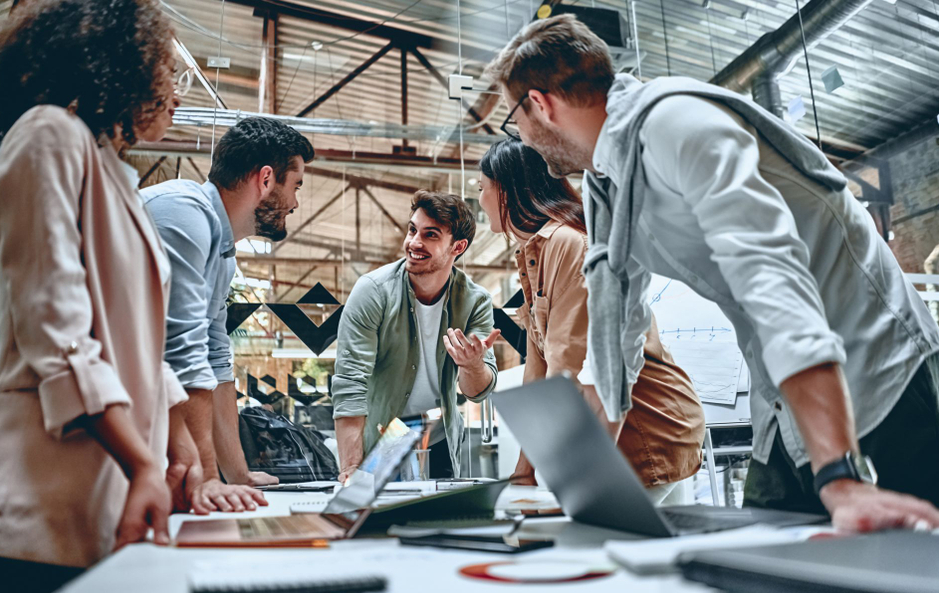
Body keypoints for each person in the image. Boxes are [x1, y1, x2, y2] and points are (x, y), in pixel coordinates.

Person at [486, 14, 939, 531]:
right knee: (761, 560)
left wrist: (839, 475)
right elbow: (613, 332)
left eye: (514, 120)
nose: (522, 137)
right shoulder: (605, 185)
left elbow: (772, 279)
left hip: (880, 365)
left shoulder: (677, 123)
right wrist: (588, 488)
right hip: (783, 394)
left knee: (916, 564)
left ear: (539, 105)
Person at [0, 0, 221, 589]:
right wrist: (143, 460)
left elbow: (134, 340)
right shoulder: (48, 133)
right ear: (119, 61)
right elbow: (57, 328)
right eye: (165, 71)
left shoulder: (104, 165)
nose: (175, 93)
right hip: (46, 492)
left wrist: (177, 446)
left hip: (108, 485)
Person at [478, 139, 705, 504]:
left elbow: (565, 367)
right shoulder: (534, 252)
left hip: (647, 429)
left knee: (597, 552)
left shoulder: (565, 243)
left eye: (481, 189)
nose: (479, 200)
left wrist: (556, 473)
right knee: (637, 556)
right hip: (632, 431)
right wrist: (523, 471)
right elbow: (538, 365)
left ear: (505, 191)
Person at [141, 117, 315, 501]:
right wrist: (205, 478)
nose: (296, 202)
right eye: (296, 185)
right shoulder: (183, 213)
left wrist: (237, 475)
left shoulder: (222, 255)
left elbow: (215, 357)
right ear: (266, 179)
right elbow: (182, 351)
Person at [333, 191, 500, 482]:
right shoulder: (373, 291)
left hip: (439, 436)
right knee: (380, 523)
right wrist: (350, 468)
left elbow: (477, 391)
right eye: (412, 230)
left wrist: (473, 365)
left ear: (457, 247)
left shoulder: (476, 301)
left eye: (430, 235)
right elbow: (350, 382)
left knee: (441, 522)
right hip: (384, 436)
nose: (414, 243)